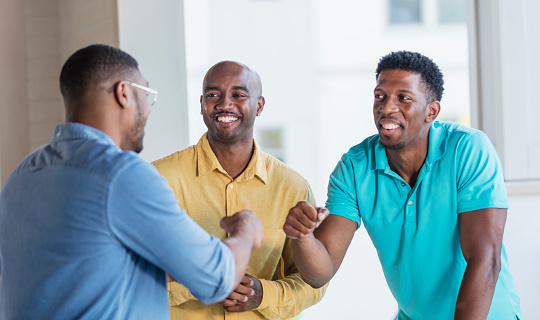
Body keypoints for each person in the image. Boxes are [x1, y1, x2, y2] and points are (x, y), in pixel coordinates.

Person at [0, 44, 264, 320]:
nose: (148, 110)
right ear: (123, 93)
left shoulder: (21, 176)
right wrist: (245, 229)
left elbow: (75, 272)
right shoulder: (120, 174)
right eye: (146, 95)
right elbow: (218, 279)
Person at [283, 51, 522, 319]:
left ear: (431, 111)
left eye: (403, 98)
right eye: (380, 96)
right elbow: (320, 272)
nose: (386, 108)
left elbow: (485, 260)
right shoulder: (354, 167)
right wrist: (302, 237)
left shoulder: (467, 149)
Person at [153, 60, 327, 320]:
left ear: (259, 105)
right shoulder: (158, 179)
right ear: (201, 104)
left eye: (238, 95)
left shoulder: (293, 187)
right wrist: (202, 283)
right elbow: (130, 276)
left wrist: (263, 295)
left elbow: (315, 282)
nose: (224, 104)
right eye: (213, 95)